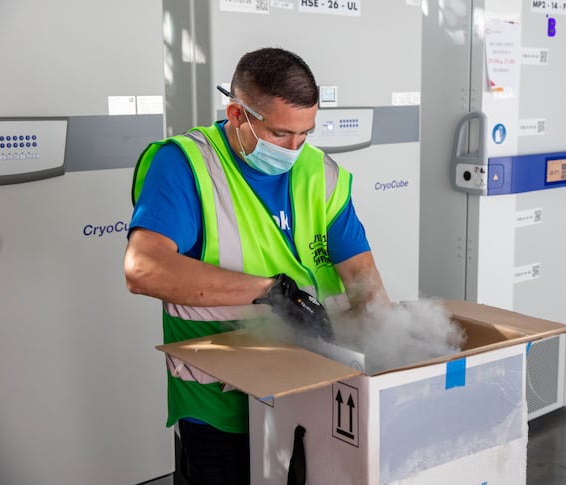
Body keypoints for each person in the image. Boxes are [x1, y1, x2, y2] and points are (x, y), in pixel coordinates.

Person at [124, 47, 390, 484]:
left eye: (305, 134)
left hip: (309, 394)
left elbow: (363, 281)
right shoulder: (186, 165)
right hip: (220, 404)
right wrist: (270, 291)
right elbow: (142, 269)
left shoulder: (318, 172)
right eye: (282, 134)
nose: (295, 149)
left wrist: (393, 361)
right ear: (237, 114)